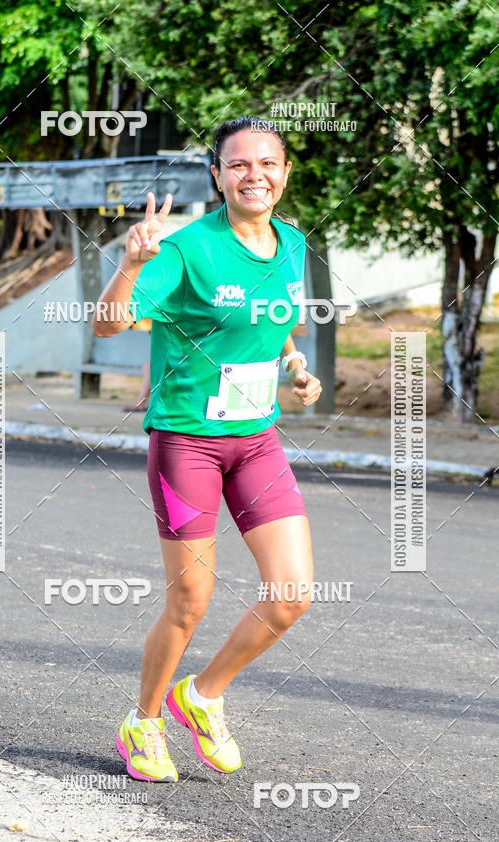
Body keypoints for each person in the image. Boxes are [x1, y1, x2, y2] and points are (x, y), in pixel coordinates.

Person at [93, 115, 322, 782]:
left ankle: (202, 694)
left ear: (285, 173)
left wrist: (293, 366)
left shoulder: (291, 243)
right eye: (239, 164)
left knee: (292, 594)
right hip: (187, 444)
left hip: (256, 442)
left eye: (268, 163)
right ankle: (143, 722)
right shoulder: (187, 249)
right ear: (218, 176)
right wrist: (131, 265)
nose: (255, 175)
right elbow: (107, 326)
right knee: (191, 601)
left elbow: (274, 318)